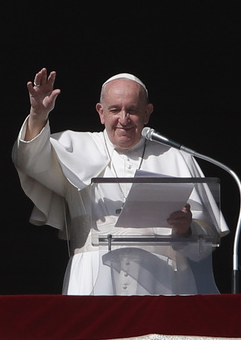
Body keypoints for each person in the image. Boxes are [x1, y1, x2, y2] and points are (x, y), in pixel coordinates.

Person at [12, 68, 229, 295]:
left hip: (163, 282)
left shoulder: (177, 157)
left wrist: (186, 230)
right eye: (115, 110)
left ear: (147, 113)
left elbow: (205, 246)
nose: (123, 119)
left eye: (132, 111)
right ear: (101, 112)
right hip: (93, 277)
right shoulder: (73, 147)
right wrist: (38, 114)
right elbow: (28, 159)